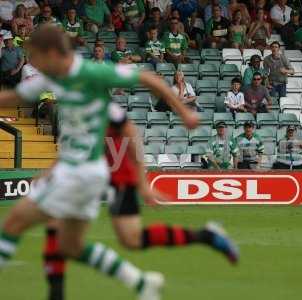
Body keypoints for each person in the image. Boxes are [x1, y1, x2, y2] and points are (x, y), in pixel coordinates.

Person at [0, 25, 199, 300]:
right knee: (71, 246)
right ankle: (141, 282)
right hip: (87, 173)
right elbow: (16, 97)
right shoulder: (53, 77)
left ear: (53, 53)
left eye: (35, 56)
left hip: (78, 173)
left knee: (13, 223)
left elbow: (148, 78)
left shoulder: (92, 72)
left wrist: (184, 113)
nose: (32, 62)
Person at [43, 103, 239, 300]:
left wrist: (142, 182)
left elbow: (129, 131)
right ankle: (204, 238)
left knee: (123, 239)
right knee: (70, 234)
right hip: (92, 174)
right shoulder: (74, 98)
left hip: (115, 177)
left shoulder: (98, 101)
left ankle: (204, 238)